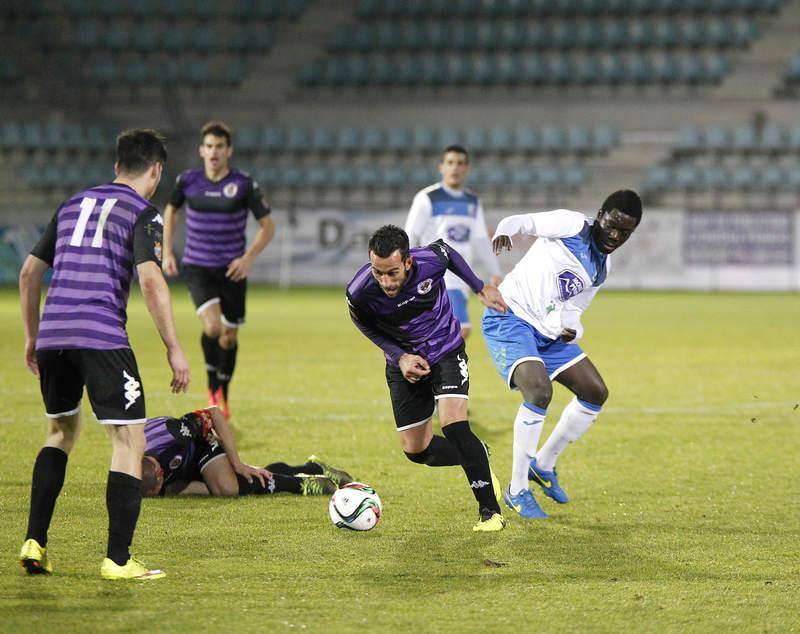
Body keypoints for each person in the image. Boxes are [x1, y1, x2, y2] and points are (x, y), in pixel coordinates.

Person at [18, 129, 191, 580]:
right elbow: (151, 281)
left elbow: (28, 274)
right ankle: (118, 560)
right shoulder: (142, 211)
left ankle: (35, 542)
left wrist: (33, 336)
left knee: (59, 433)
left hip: (55, 335)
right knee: (129, 441)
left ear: (117, 166)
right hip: (101, 337)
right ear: (156, 171)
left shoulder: (72, 204)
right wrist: (174, 349)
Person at [481, 190, 642, 519]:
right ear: (600, 215)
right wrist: (504, 229)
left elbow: (573, 310)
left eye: (625, 232)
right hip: (510, 317)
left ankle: (543, 465)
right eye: (611, 225)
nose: (615, 235)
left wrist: (571, 328)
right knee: (539, 391)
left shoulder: (601, 268)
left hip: (548, 332)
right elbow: (524, 221)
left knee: (595, 391)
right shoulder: (571, 225)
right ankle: (517, 489)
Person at [346, 225, 508, 532]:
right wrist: (400, 356)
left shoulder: (430, 261)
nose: (385, 281)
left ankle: (491, 512)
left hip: (446, 349)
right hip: (404, 364)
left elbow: (448, 252)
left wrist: (478, 286)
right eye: (378, 273)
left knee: (454, 426)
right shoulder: (359, 291)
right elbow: (362, 323)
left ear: (407, 262)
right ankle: (477, 455)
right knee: (418, 451)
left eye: (392, 272)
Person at [162, 121, 275, 419]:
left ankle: (223, 390)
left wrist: (248, 258)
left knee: (229, 338)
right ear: (201, 150)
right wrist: (167, 250)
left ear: (229, 151)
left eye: (219, 147)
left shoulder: (243, 184)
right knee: (212, 328)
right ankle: (213, 388)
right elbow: (171, 210)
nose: (214, 152)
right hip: (198, 266)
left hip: (232, 271)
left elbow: (267, 226)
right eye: (209, 146)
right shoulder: (187, 181)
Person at [141, 406, 353, 498]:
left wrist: (237, 463)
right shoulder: (133, 464)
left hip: (200, 446)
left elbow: (214, 413)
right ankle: (312, 467)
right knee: (224, 487)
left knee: (227, 487)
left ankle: (307, 484)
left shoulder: (178, 433)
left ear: (160, 474)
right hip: (182, 464)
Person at [404, 145, 502, 341]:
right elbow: (411, 234)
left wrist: (495, 272)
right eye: (450, 163)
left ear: (467, 168)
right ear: (441, 167)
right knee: (460, 329)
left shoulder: (472, 201)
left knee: (445, 332)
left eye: (459, 163)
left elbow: (481, 239)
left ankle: (424, 365)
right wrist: (407, 269)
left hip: (462, 275)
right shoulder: (427, 198)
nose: (454, 168)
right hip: (438, 273)